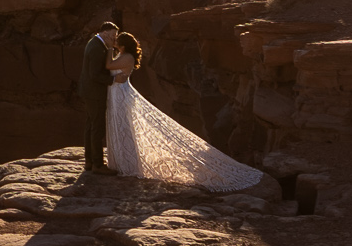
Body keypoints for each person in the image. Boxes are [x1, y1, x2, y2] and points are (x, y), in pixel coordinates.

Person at [106, 31, 265, 193]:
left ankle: (129, 163)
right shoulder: (123, 55)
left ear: (123, 45)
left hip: (122, 94)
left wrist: (108, 50)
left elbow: (109, 66)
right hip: (117, 93)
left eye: (117, 41)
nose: (115, 43)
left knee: (125, 126)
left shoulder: (127, 58)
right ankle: (122, 161)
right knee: (121, 126)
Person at [78, 18, 119, 172]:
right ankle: (97, 164)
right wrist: (113, 79)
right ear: (105, 32)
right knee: (97, 127)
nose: (115, 38)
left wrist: (110, 48)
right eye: (114, 35)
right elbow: (94, 74)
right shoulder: (96, 47)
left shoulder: (96, 43)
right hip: (94, 93)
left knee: (90, 126)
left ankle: (89, 162)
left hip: (89, 91)